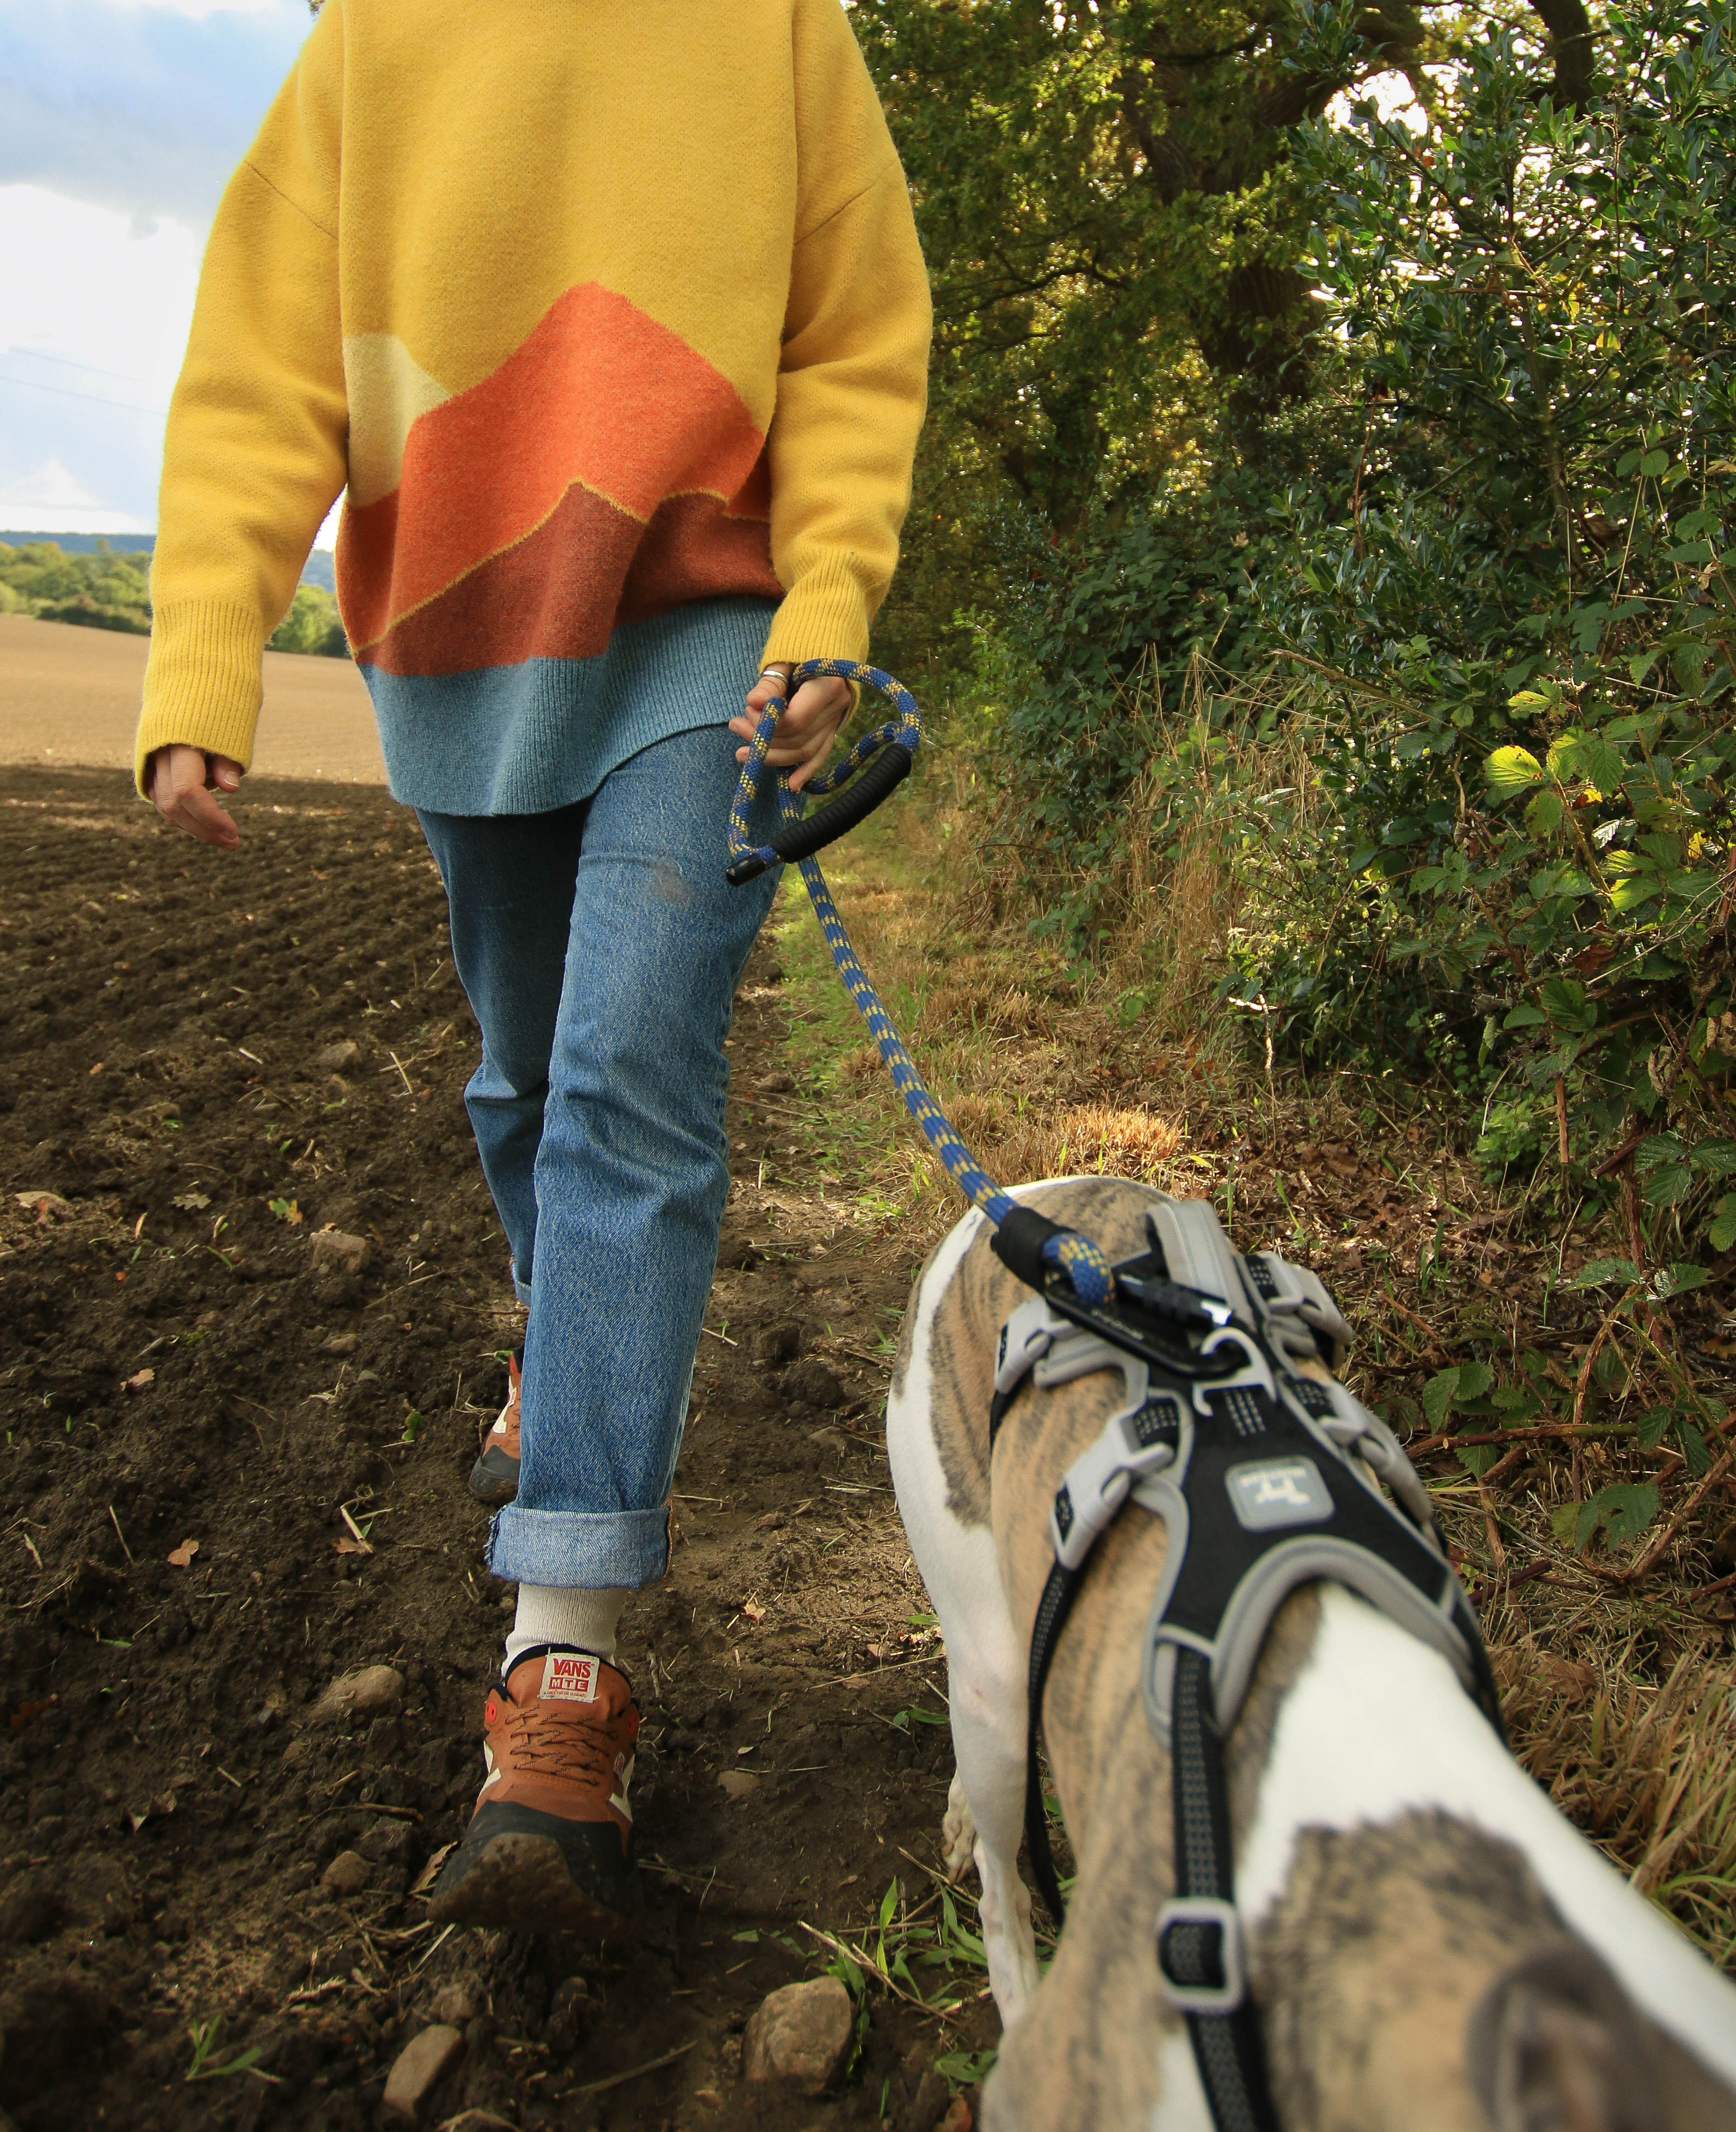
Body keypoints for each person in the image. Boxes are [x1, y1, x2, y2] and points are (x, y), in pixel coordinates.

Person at [136, 0, 930, 1933]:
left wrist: (827, 599)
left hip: (706, 639)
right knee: (519, 1079)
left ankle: (561, 1664)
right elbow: (257, 367)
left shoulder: (777, 30)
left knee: (620, 1087)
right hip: (461, 651)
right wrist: (200, 656)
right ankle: (556, 1343)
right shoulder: (370, 45)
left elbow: (853, 336)